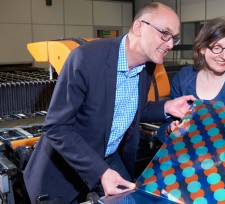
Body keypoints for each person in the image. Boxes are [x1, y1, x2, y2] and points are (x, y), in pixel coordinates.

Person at [23, 2, 196, 203]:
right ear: (139, 27)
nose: (170, 44)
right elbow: (56, 127)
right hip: (63, 170)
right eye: (165, 34)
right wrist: (101, 172)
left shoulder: (147, 66)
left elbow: (127, 109)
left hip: (109, 159)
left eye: (174, 37)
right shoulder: (85, 58)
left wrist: (166, 107)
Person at [157, 16, 225, 143]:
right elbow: (163, 129)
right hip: (188, 154)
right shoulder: (183, 78)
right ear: (202, 48)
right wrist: (170, 130)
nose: (224, 56)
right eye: (217, 47)